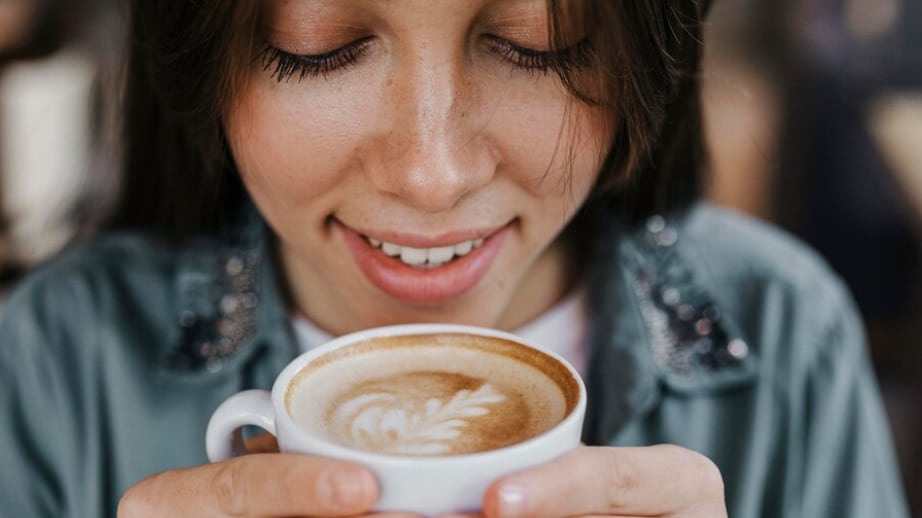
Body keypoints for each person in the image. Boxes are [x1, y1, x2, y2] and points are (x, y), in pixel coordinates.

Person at [0, 0, 909, 516]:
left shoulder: (784, 333)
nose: (432, 176)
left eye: (532, 45)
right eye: (318, 50)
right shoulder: (54, 360)